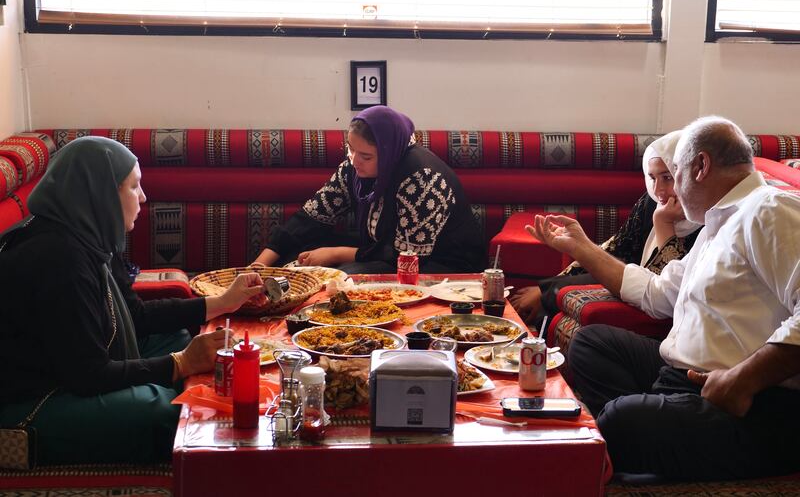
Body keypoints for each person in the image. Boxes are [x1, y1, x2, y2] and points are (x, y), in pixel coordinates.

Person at [528, 116, 800, 481]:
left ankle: (633, 450)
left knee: (622, 419)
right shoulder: (716, 224)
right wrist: (582, 247)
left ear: (701, 166)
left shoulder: (769, 209)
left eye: (675, 172)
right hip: (681, 378)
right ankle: (642, 450)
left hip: (749, 404)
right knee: (593, 343)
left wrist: (742, 380)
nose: (667, 189)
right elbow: (658, 294)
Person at [0, 136, 265, 465]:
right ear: (101, 193)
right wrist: (182, 364)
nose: (143, 197)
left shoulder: (88, 233)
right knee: (158, 407)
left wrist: (222, 302)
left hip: (72, 370)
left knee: (177, 337)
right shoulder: (58, 261)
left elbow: (134, 315)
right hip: (32, 403)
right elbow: (87, 375)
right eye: (133, 186)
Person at [254, 106, 485, 274]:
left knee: (346, 278)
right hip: (380, 249)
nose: (355, 161)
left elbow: (407, 258)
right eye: (350, 149)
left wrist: (334, 254)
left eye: (366, 156)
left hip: (441, 263)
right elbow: (311, 217)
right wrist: (259, 265)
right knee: (297, 254)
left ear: (390, 153)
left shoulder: (421, 178)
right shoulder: (353, 169)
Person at [509, 130, 702, 326]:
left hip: (659, 308)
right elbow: (615, 249)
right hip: (631, 280)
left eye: (667, 177)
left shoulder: (705, 218)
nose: (658, 190)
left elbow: (662, 291)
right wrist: (574, 248)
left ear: (687, 174)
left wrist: (663, 225)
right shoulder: (651, 202)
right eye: (652, 178)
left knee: (551, 306)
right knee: (593, 273)